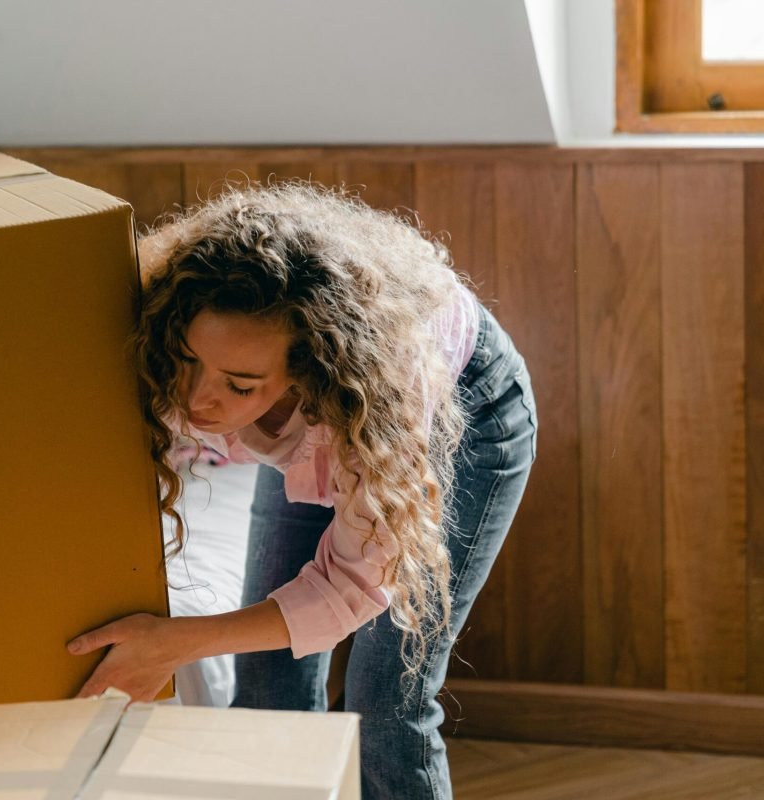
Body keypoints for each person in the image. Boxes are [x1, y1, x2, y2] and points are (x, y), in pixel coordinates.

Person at [65, 181, 537, 799]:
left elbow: (352, 586)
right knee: (264, 684)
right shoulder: (181, 355)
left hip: (465, 413)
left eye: (238, 386)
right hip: (341, 421)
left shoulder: (376, 398)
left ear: (307, 373)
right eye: (189, 360)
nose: (197, 400)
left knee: (387, 704)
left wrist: (176, 644)